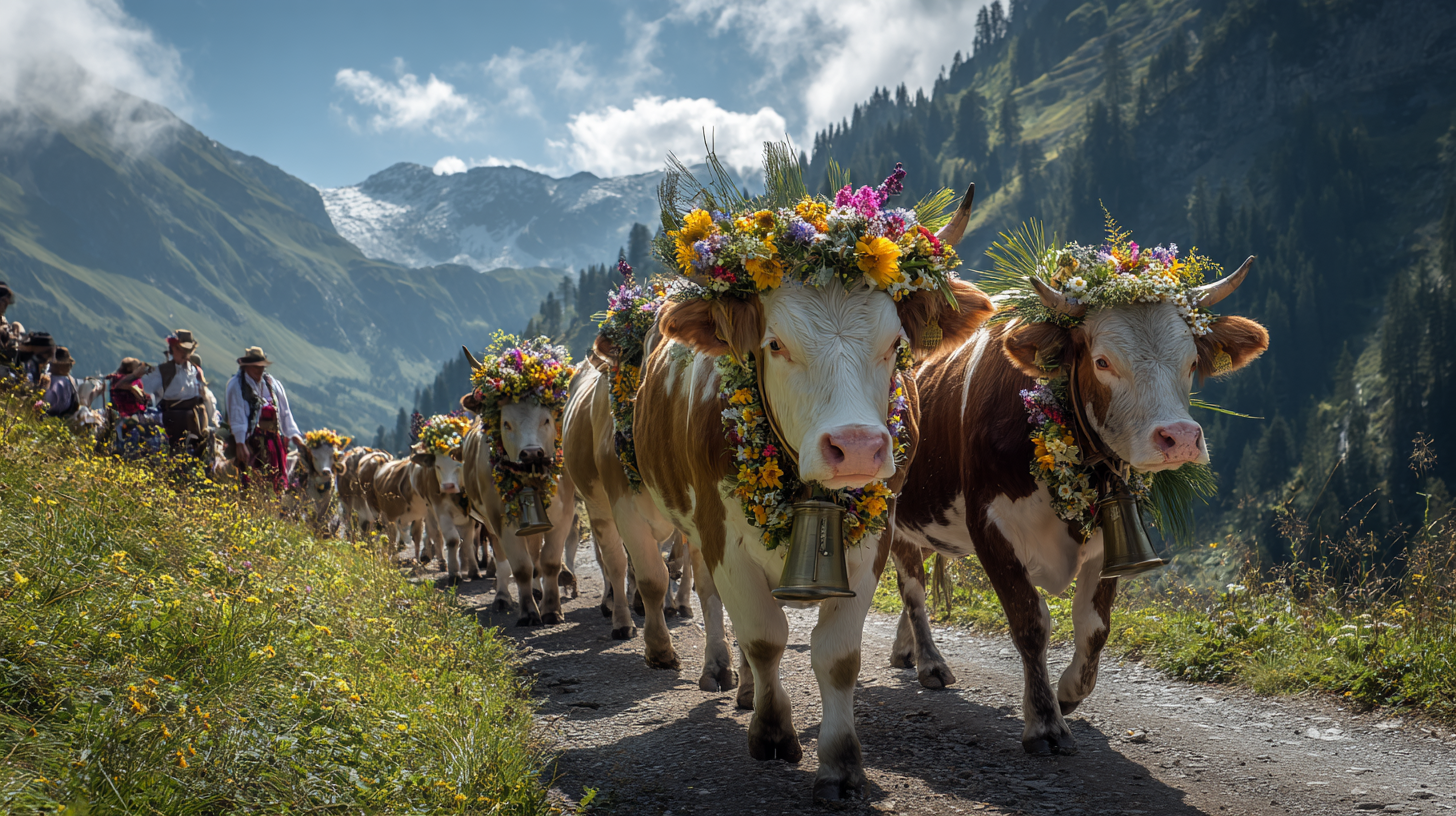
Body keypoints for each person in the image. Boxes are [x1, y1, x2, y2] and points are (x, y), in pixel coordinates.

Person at [224, 346, 304, 490]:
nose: (259, 370)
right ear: (246, 367)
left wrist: (294, 435)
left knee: (276, 481)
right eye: (256, 367)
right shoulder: (237, 385)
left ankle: (273, 507)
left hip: (273, 442)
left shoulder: (272, 384)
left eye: (262, 367)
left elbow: (284, 412)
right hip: (251, 441)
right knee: (250, 479)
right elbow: (237, 415)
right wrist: (240, 442)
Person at [140, 330, 210, 456]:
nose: (184, 354)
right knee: (177, 456)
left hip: (195, 421)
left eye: (188, 351)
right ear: (173, 348)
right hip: (174, 421)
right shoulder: (163, 372)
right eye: (181, 350)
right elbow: (142, 386)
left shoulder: (194, 370)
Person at [41, 347, 78, 419]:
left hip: (51, 417)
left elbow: (57, 405)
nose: (50, 365)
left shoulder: (60, 383)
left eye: (51, 364)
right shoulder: (68, 380)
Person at [0, 282, 24, 378]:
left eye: (7, 302)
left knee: (17, 325)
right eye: (2, 301)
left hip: (6, 366)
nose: (5, 305)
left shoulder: (3, 320)